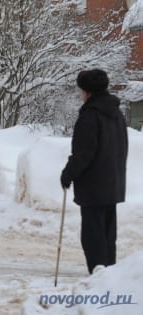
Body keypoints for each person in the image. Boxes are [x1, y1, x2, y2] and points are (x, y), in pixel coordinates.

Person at [60, 69, 128, 274]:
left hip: (93, 188)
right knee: (107, 237)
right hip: (112, 184)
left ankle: (99, 280)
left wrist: (68, 174)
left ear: (87, 92)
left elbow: (83, 153)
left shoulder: (90, 116)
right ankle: (109, 278)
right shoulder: (116, 113)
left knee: (93, 238)